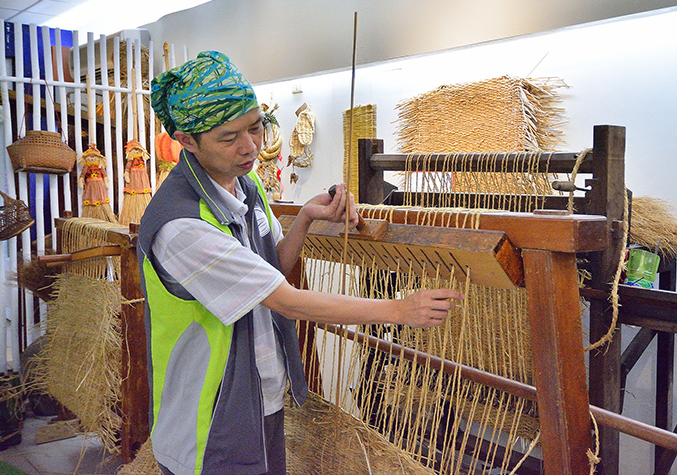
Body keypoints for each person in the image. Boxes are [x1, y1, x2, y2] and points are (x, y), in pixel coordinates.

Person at [140, 51, 462, 475]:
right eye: (228, 137)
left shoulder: (245, 184)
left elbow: (274, 266)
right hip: (209, 414)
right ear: (186, 141)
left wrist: (307, 216)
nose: (250, 146)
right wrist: (400, 311)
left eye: (255, 127)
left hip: (258, 394)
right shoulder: (181, 225)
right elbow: (285, 300)